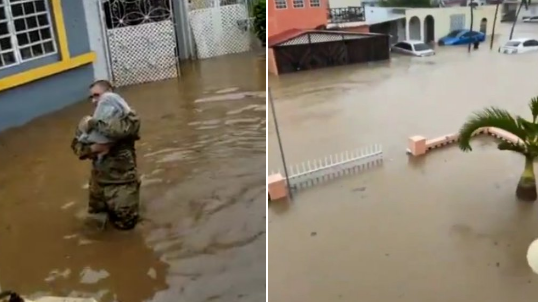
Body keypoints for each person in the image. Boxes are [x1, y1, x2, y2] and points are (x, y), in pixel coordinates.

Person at [71, 80, 141, 230]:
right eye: (92, 97)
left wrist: (94, 124)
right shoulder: (88, 121)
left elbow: (119, 131)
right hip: (98, 184)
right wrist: (94, 148)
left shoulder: (128, 118)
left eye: (97, 95)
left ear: (110, 94)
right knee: (95, 224)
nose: (94, 100)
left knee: (126, 228)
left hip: (122, 185)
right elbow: (77, 147)